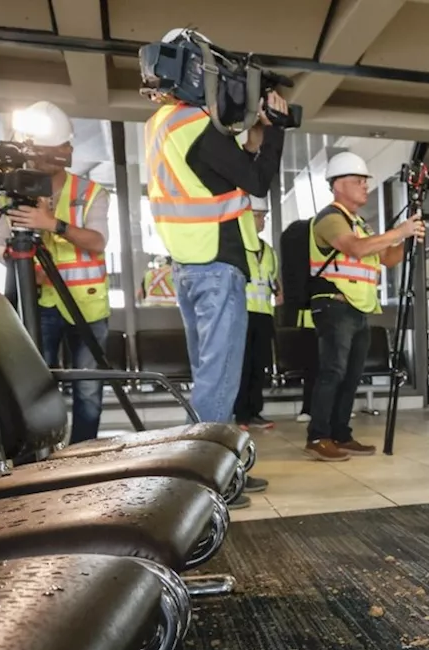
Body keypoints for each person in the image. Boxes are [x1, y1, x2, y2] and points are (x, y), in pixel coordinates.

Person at [143, 28, 286, 498]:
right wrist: (278, 130)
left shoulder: (162, 124)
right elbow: (257, 181)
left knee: (210, 377)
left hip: (191, 264)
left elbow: (221, 177)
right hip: (215, 265)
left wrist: (255, 134)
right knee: (217, 381)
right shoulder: (190, 124)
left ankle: (206, 471)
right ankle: (207, 483)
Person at [0, 100, 111, 445]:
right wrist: (19, 264)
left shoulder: (90, 193)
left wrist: (51, 224)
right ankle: (41, 451)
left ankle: (83, 452)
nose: (53, 155)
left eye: (59, 147)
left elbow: (97, 241)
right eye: (43, 149)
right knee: (39, 384)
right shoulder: (10, 196)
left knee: (88, 387)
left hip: (87, 307)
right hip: (38, 303)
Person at [304, 151, 425, 462]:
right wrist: (400, 232)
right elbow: (355, 249)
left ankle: (341, 434)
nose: (365, 186)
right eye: (358, 181)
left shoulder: (360, 223)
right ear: (337, 184)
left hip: (357, 308)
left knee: (351, 374)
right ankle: (318, 436)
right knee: (333, 371)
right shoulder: (331, 217)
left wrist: (408, 240)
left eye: (365, 181)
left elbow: (387, 258)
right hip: (334, 305)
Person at [233, 197, 278, 430]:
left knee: (259, 366)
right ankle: (240, 414)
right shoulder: (236, 247)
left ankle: (254, 412)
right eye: (258, 215)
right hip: (242, 314)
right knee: (242, 365)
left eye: (263, 216)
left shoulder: (268, 251)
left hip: (263, 315)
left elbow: (273, 281)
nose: (261, 221)